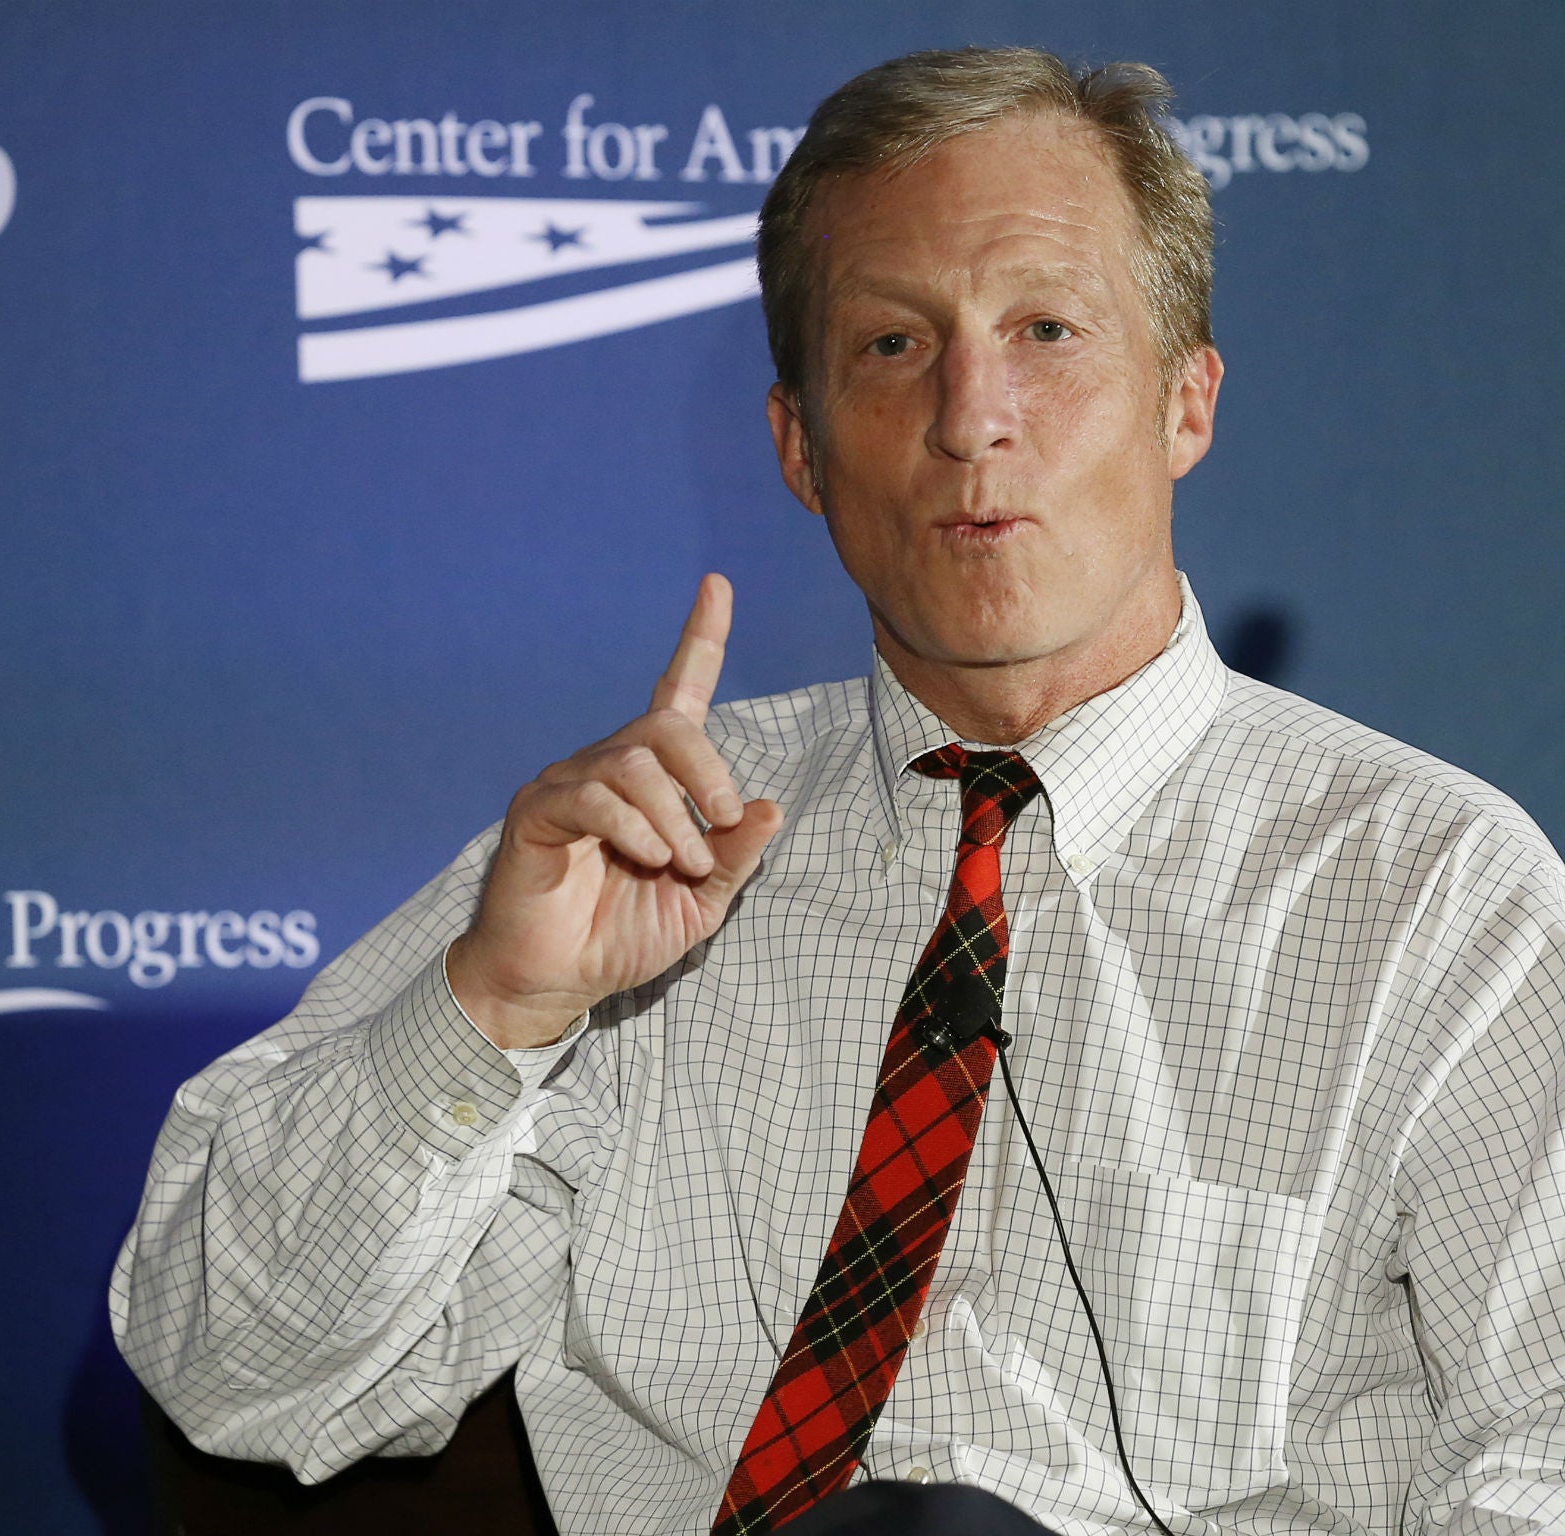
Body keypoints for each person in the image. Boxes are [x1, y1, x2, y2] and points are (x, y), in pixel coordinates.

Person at [111, 46, 1565, 1536]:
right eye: (889, 346)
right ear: (800, 448)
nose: (969, 418)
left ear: (1184, 404)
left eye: (1047, 330)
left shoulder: (1439, 894)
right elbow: (236, 1378)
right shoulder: (639, 854)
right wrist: (492, 1011)